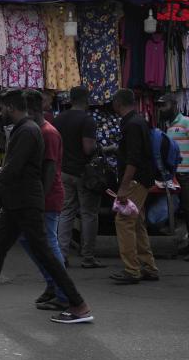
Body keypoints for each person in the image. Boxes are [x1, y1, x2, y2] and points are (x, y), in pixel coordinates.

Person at [0, 89, 93, 324]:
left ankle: (78, 304)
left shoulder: (28, 131)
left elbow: (15, 170)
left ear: (11, 107)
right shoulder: (25, 130)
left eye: (1, 107)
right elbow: (16, 167)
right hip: (15, 203)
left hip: (26, 203)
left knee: (45, 253)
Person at [21, 90, 70, 310]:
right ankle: (53, 284)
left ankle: (63, 293)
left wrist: (39, 202)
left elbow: (49, 171)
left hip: (47, 197)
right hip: (38, 195)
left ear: (30, 111)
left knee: (48, 243)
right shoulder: (36, 130)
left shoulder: (48, 133)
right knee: (27, 239)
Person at [109, 88, 160, 284]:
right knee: (137, 222)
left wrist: (123, 186)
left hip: (135, 180)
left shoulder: (131, 124)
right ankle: (148, 267)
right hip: (142, 179)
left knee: (124, 220)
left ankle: (132, 269)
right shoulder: (138, 121)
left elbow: (133, 159)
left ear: (118, 103)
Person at [54, 86, 102, 268]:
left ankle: (62, 254)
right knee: (89, 213)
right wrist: (100, 149)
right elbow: (88, 148)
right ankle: (88, 256)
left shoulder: (59, 119)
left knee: (66, 212)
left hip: (64, 171)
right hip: (83, 172)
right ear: (86, 99)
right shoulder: (87, 120)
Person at [156, 93, 189, 261]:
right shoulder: (168, 127)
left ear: (174, 105)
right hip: (174, 175)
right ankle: (183, 244)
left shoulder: (185, 122)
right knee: (179, 210)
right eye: (160, 106)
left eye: (164, 105)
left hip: (186, 174)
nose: (161, 109)